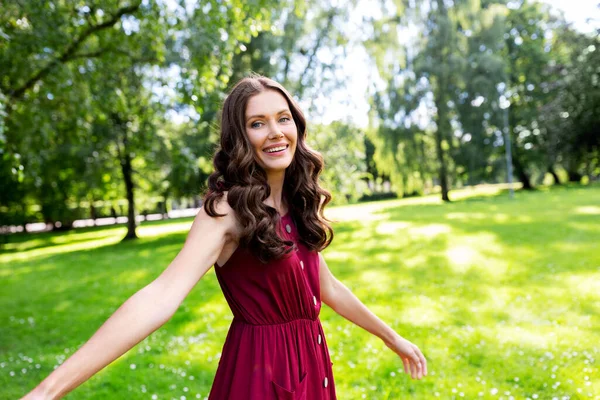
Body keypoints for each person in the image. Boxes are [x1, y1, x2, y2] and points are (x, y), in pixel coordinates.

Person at [21, 74, 427, 400]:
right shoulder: (227, 210)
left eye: (283, 118)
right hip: (261, 377)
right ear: (239, 136)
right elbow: (161, 296)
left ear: (297, 125)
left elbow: (327, 287)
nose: (275, 132)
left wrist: (393, 338)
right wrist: (48, 390)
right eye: (257, 123)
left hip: (309, 367)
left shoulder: (293, 203)